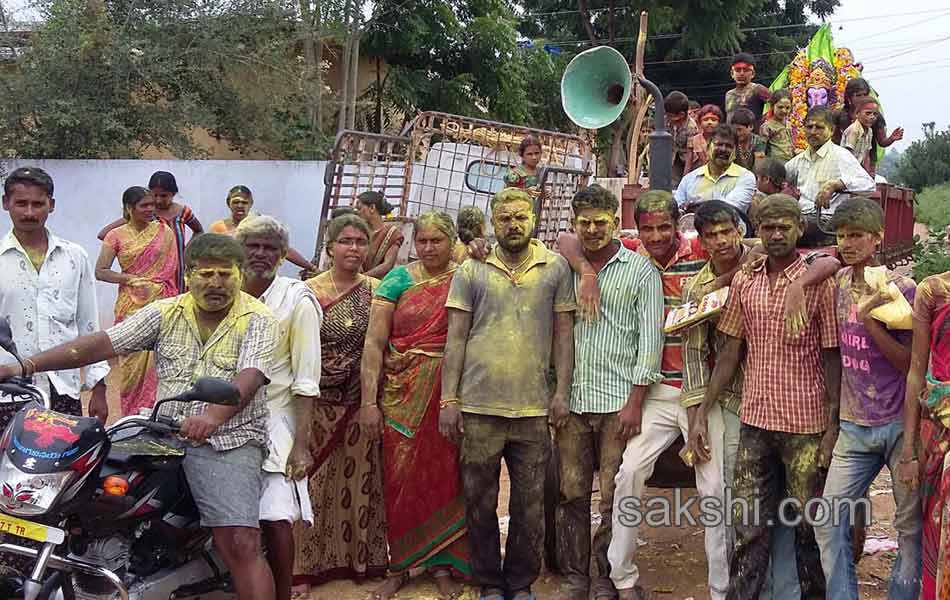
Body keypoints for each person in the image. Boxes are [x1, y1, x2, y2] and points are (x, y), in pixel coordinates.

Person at [0, 233, 280, 600]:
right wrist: (25, 365)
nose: (215, 283)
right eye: (205, 273)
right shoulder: (166, 312)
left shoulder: (258, 319)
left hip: (228, 439)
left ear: (240, 276)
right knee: (79, 493)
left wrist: (213, 416)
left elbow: (250, 377)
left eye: (225, 274)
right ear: (188, 276)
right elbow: (104, 342)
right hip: (159, 430)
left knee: (241, 542)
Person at [688, 195, 839, 600]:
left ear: (799, 229)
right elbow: (730, 350)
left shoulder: (818, 282)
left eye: (783, 226)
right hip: (756, 421)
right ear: (757, 230)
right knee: (748, 527)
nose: (775, 234)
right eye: (767, 227)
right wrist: (702, 410)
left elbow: (831, 356)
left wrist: (832, 424)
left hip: (805, 425)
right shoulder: (746, 280)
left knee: (808, 527)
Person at [588, 191, 727, 600]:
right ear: (636, 227)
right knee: (629, 473)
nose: (656, 235)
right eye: (647, 227)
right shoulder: (631, 253)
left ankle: (721, 588)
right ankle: (621, 576)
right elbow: (569, 242)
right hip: (656, 390)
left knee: (715, 488)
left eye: (664, 226)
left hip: (702, 392)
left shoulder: (702, 247)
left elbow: (743, 251)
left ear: (678, 224)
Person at [441, 187, 575, 600]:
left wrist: (562, 393)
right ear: (492, 222)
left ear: (534, 219)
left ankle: (519, 583)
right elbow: (456, 338)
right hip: (479, 406)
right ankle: (488, 583)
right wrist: (449, 400)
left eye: (521, 217)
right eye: (505, 218)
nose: (513, 225)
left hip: (534, 408)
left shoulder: (554, 268)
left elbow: (564, 336)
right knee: (480, 501)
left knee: (529, 505)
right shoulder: (471, 271)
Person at [680, 201, 801, 600]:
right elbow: (698, 351)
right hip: (734, 399)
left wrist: (730, 279)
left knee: (790, 506)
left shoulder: (763, 261)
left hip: (788, 395)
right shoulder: (696, 288)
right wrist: (697, 414)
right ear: (700, 240)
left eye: (725, 231)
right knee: (730, 499)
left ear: (740, 230)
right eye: (710, 234)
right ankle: (729, 589)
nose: (719, 240)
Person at [555, 185, 663, 600]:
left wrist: (635, 402)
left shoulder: (640, 271)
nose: (593, 229)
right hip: (574, 402)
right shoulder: (563, 268)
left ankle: (604, 575)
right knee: (571, 494)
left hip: (619, 404)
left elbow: (649, 342)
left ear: (616, 222)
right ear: (575, 224)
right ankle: (575, 576)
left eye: (601, 222)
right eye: (585, 223)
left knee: (612, 496)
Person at [811, 199, 922, 600]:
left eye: (856, 235)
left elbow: (907, 362)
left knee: (909, 529)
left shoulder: (902, 289)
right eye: (842, 236)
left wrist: (871, 317)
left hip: (898, 426)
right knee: (828, 519)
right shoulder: (838, 283)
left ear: (877, 238)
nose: (848, 243)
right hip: (854, 427)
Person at [359, 211, 471, 600]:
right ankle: (400, 565)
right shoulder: (397, 279)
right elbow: (374, 344)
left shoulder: (465, 276)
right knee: (399, 478)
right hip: (400, 393)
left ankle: (442, 564)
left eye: (436, 241)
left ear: (451, 241)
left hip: (450, 393)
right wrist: (368, 402)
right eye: (422, 241)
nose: (428, 248)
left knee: (446, 476)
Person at [293, 214, 388, 592]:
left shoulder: (379, 291)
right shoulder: (307, 293)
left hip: (360, 403)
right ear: (330, 246)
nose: (354, 249)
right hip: (315, 405)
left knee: (359, 482)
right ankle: (303, 569)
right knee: (310, 486)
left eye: (361, 242)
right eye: (345, 241)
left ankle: (359, 563)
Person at [236, 216, 322, 600]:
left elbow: (306, 379)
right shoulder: (226, 291)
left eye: (270, 247)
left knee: (274, 516)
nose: (260, 254)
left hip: (275, 419)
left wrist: (301, 446)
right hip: (224, 419)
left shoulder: (296, 299)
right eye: (253, 245)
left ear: (284, 255)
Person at [0, 166, 110, 421]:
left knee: (64, 460)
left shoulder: (74, 256)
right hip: (7, 392)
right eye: (21, 203)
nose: (29, 212)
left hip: (63, 389)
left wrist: (99, 387)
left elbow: (88, 325)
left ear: (51, 205)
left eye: (37, 204)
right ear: (6, 203)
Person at [95, 186, 179, 416]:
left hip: (161, 304)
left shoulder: (165, 232)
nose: (150, 209)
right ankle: (131, 418)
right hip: (130, 307)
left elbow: (172, 271)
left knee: (159, 364)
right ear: (129, 209)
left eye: (152, 204)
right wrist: (129, 278)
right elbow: (101, 271)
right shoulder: (116, 235)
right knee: (131, 366)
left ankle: (156, 418)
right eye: (144, 205)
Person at [901, 270, 950, 600]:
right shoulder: (933, 291)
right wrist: (909, 451)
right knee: (938, 532)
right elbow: (916, 373)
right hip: (938, 434)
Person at [98, 171, 203, 292]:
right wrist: (137, 250)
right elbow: (104, 234)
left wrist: (186, 252)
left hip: (178, 269)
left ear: (173, 193)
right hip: (148, 275)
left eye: (163, 196)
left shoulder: (183, 212)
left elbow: (199, 231)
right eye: (155, 196)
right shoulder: (145, 214)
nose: (158, 200)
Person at [784, 106, 876, 245]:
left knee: (788, 228)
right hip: (800, 218)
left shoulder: (840, 155)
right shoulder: (797, 161)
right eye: (809, 127)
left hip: (827, 221)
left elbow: (869, 185)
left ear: (831, 130)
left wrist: (836, 184)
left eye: (819, 127)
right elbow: (780, 180)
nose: (813, 132)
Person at [209, 185, 318, 272]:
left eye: (244, 202)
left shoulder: (260, 225)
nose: (240, 205)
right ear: (228, 203)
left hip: (258, 276)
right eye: (236, 202)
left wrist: (311, 268)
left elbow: (285, 250)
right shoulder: (218, 228)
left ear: (251, 204)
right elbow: (208, 256)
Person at [674, 124, 757, 217]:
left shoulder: (745, 177)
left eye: (729, 146)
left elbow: (731, 207)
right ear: (708, 146)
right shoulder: (690, 179)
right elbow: (677, 208)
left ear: (735, 151)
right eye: (719, 144)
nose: (723, 149)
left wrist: (695, 207)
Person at [833, 78, 903, 175]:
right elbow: (835, 140)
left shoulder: (875, 116)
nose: (862, 98)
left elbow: (881, 142)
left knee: (867, 185)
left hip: (867, 161)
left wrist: (891, 138)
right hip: (844, 162)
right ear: (849, 98)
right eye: (858, 95)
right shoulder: (840, 114)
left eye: (865, 95)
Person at [356, 191, 405, 279]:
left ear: (372, 208)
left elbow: (387, 265)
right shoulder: (358, 232)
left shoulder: (392, 233)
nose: (357, 212)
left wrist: (361, 279)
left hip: (379, 285)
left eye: (359, 208)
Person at [725, 52, 772, 126]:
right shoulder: (729, 94)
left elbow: (777, 103)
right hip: (732, 135)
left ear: (753, 74)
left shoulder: (757, 89)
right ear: (732, 73)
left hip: (753, 135)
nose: (742, 73)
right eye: (738, 70)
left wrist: (766, 122)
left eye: (746, 70)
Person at [749, 159, 799, 227]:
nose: (756, 182)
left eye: (757, 178)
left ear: (766, 179)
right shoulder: (791, 191)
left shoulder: (781, 200)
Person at [665, 91, 700, 186]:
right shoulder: (667, 121)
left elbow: (690, 153)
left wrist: (686, 176)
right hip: (675, 157)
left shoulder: (691, 127)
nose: (668, 118)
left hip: (691, 161)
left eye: (671, 116)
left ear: (681, 115)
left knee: (688, 184)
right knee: (672, 183)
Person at [841, 97, 880, 174]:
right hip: (846, 169)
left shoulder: (869, 131)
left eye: (875, 114)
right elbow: (848, 156)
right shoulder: (854, 130)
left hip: (857, 170)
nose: (872, 117)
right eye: (868, 113)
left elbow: (866, 155)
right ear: (857, 114)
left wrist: (867, 173)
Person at [684, 104, 724, 174]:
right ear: (699, 123)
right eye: (705, 120)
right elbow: (703, 161)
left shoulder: (723, 138)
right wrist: (685, 176)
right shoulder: (696, 139)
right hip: (703, 171)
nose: (709, 122)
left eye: (714, 120)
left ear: (719, 123)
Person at [760, 89, 795, 162]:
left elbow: (791, 145)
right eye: (780, 107)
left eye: (787, 108)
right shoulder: (767, 127)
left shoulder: (789, 124)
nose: (784, 111)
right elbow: (761, 150)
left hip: (790, 163)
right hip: (774, 165)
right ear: (772, 106)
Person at [730, 108, 766, 172]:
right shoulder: (731, 141)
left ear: (751, 127)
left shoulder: (758, 142)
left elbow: (759, 166)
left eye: (739, 130)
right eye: (734, 130)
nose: (737, 133)